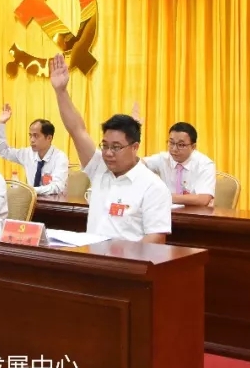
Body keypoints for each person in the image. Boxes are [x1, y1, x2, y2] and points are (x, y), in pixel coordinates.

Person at [49, 53, 173, 243]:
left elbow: (156, 239)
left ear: (135, 147)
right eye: (105, 145)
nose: (107, 153)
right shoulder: (99, 168)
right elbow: (77, 130)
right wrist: (61, 92)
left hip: (127, 260)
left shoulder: (153, 187)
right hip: (91, 255)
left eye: (116, 147)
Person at [0, 103, 69, 196]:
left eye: (36, 136)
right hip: (31, 201)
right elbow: (2, 150)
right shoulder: (27, 153)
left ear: (49, 138)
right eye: (30, 135)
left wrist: (30, 190)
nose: (32, 140)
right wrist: (1, 123)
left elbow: (57, 187)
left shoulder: (60, 157)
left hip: (54, 202)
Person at [142, 122, 215, 207]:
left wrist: (164, 196)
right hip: (166, 212)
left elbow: (203, 199)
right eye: (171, 143)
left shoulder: (205, 164)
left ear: (193, 147)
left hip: (194, 213)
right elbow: (138, 164)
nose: (174, 149)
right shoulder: (164, 158)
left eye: (181, 145)